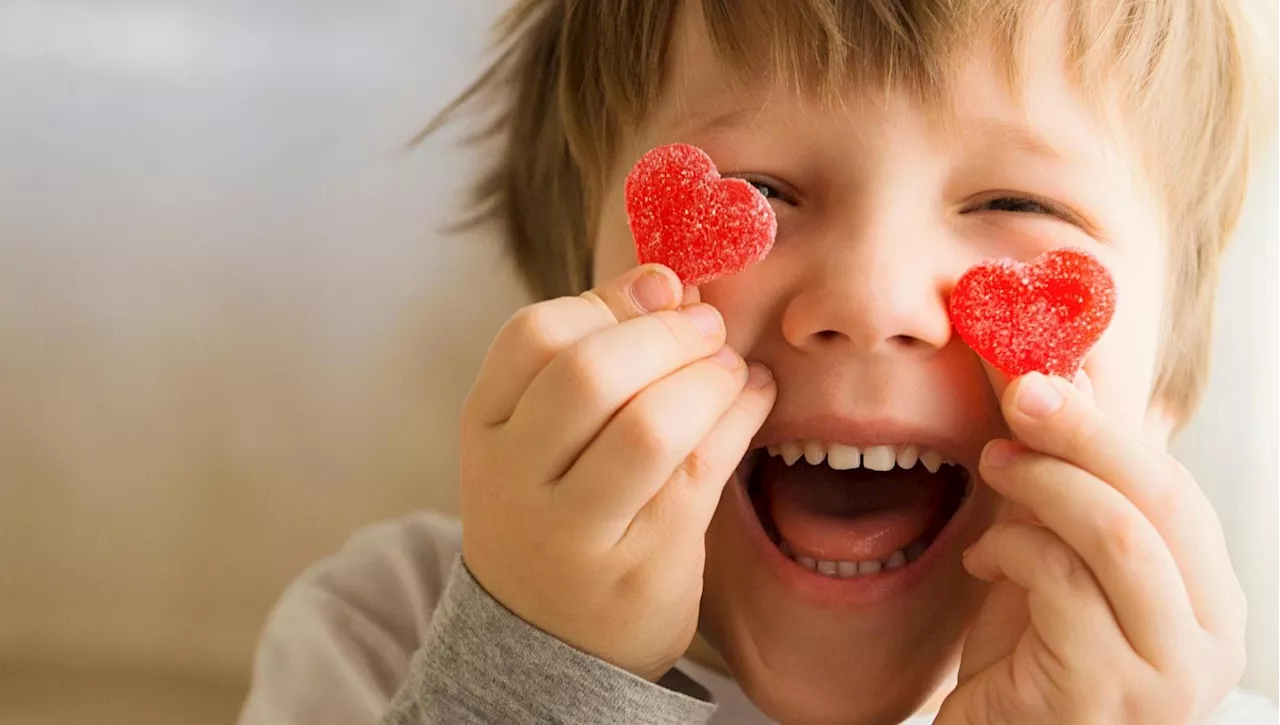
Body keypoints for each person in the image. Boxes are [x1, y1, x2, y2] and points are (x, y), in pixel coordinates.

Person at [237, 1, 1280, 722]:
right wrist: (542, 672)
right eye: (759, 189)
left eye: (1015, 204)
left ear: (1163, 394)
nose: (870, 301)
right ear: (570, 314)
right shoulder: (389, 632)